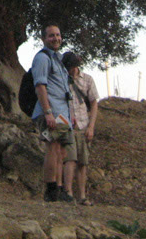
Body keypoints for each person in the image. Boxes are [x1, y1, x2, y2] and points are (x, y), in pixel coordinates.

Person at [31, 25, 75, 202]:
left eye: (58, 35)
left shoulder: (58, 60)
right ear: (43, 39)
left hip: (62, 113)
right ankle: (50, 189)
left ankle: (58, 189)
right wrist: (48, 112)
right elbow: (40, 86)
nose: (55, 38)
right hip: (51, 111)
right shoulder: (42, 58)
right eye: (51, 36)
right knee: (53, 147)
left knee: (61, 152)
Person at [61, 52, 99, 205]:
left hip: (83, 125)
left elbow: (94, 103)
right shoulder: (62, 80)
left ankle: (82, 196)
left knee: (82, 162)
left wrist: (91, 126)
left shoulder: (87, 80)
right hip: (68, 126)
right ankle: (68, 193)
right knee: (70, 159)